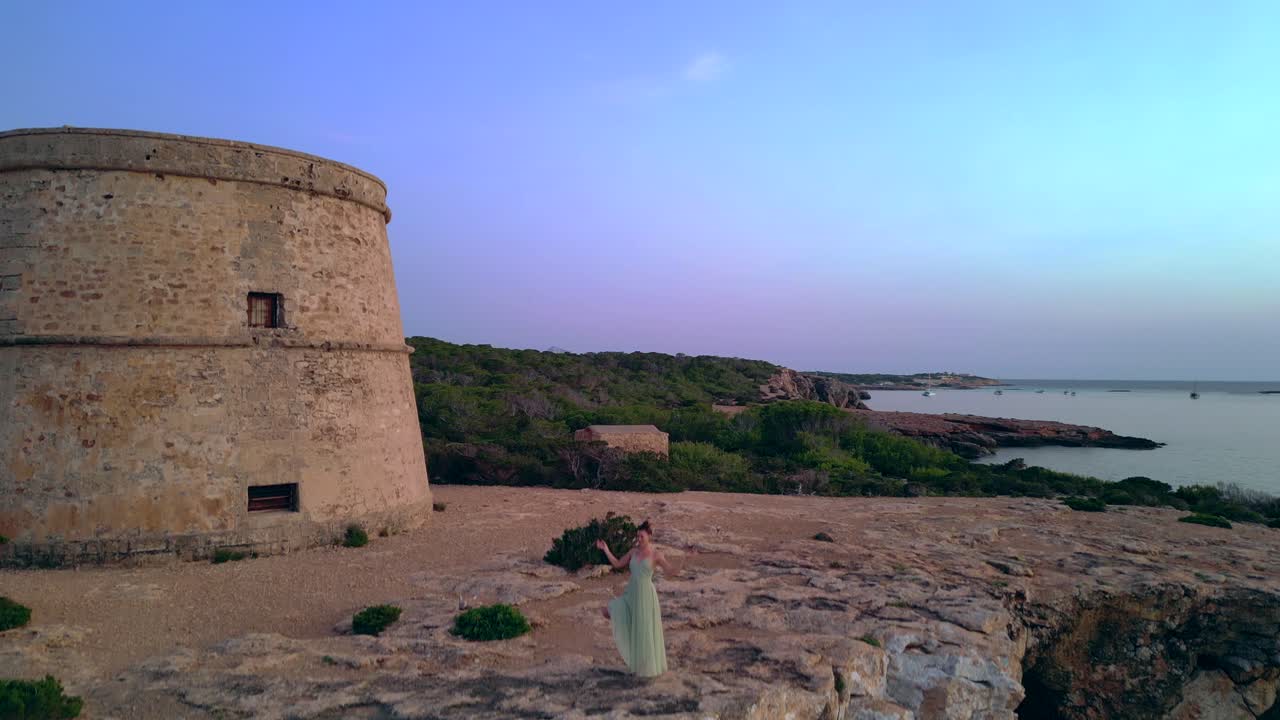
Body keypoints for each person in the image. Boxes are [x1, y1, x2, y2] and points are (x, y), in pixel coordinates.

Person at [595, 520, 673, 677]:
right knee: (611, 610)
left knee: (645, 630)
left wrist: (685, 558)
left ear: (649, 535)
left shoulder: (656, 554)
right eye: (637, 536)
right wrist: (606, 549)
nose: (639, 538)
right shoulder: (633, 552)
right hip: (632, 593)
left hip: (646, 596)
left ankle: (648, 669)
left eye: (641, 536)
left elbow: (671, 571)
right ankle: (639, 664)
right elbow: (617, 564)